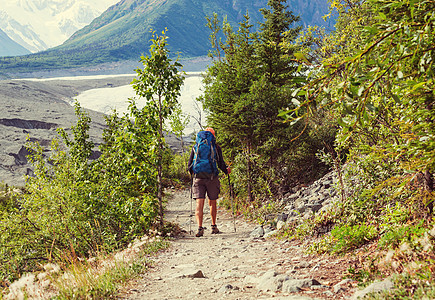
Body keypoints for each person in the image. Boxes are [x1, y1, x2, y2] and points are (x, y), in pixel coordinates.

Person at [188, 127, 231, 237]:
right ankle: (213, 226)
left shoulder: (196, 146)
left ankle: (199, 228)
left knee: (199, 203)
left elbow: (189, 166)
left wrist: (193, 174)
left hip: (198, 178)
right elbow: (221, 163)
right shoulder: (216, 147)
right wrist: (227, 171)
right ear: (213, 136)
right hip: (212, 178)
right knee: (212, 202)